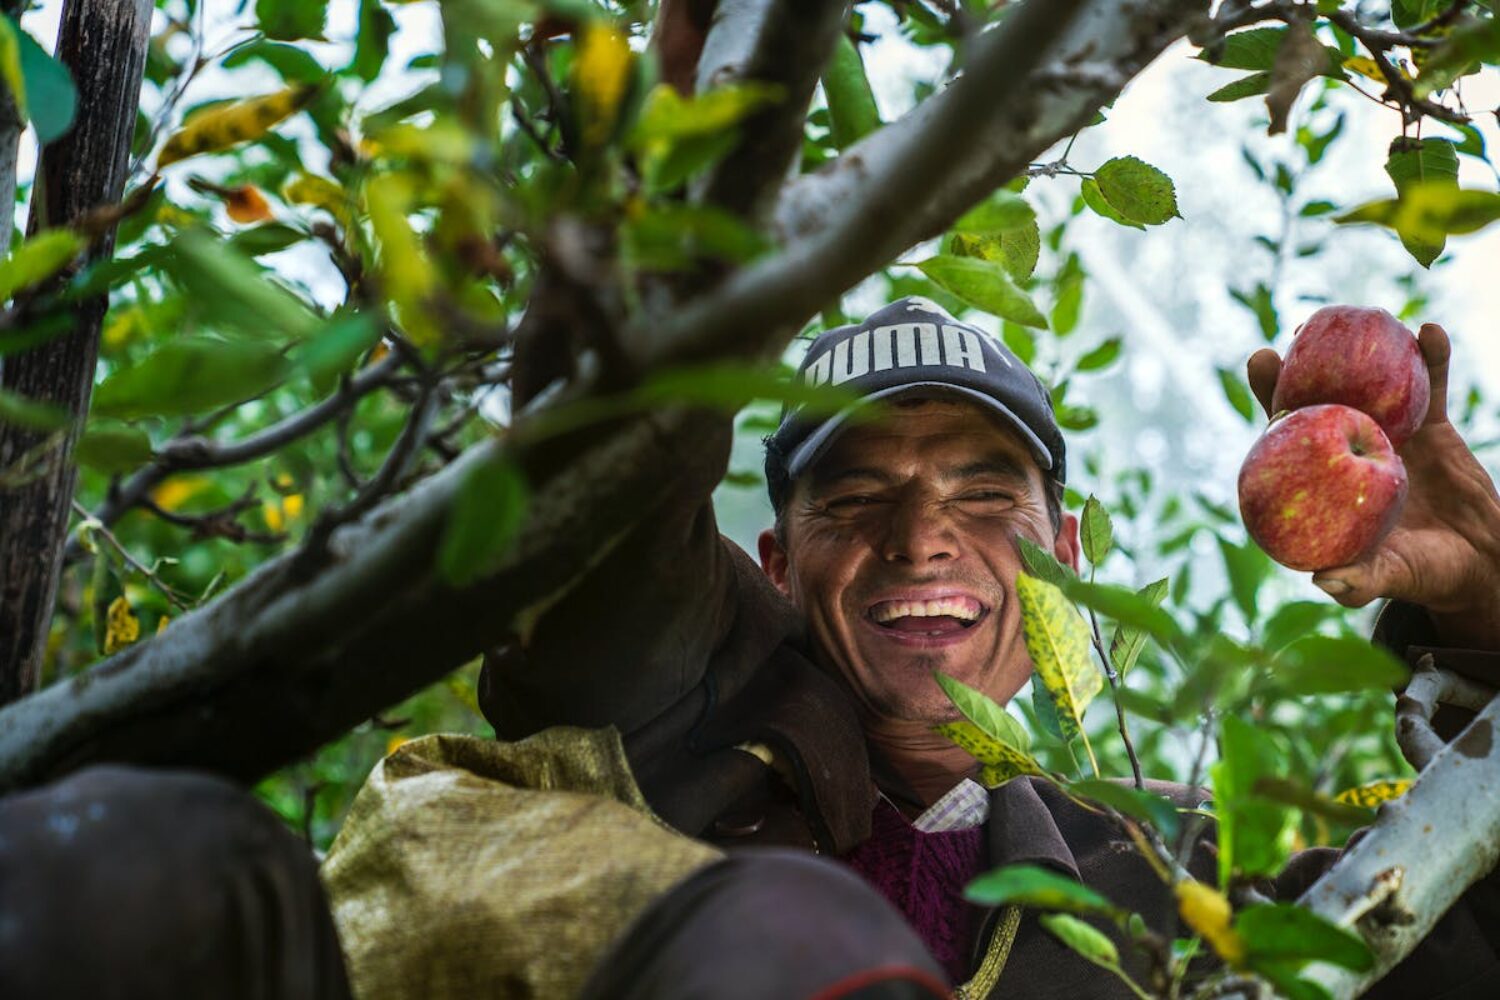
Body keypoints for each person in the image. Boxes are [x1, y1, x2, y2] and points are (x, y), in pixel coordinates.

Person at [4, 299, 1499, 999]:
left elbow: (1444, 934)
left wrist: (1486, 609)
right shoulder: (686, 699)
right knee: (144, 859)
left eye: (988, 498)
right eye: (860, 501)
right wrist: (691, 268)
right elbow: (608, 531)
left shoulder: (1168, 886)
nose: (925, 542)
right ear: (778, 566)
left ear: (1072, 562)